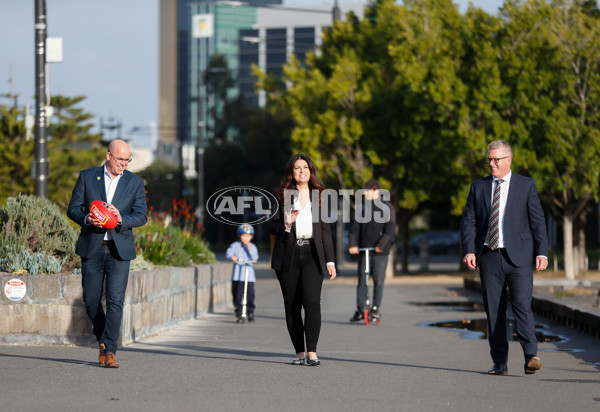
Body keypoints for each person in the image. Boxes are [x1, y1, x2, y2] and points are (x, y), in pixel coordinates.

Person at [461, 140, 548, 376]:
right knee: (494, 311)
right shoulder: (478, 187)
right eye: (489, 159)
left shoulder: (526, 185)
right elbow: (469, 221)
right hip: (489, 257)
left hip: (519, 257)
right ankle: (499, 362)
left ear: (508, 160)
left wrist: (542, 251)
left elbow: (537, 221)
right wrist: (469, 250)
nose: (491, 163)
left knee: (522, 306)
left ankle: (531, 355)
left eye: (496, 159)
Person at [67, 139, 147, 368]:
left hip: (118, 250)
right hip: (92, 246)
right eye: (120, 159)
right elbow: (73, 208)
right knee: (91, 300)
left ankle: (110, 351)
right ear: (109, 155)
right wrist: (86, 219)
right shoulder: (87, 176)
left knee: (115, 301)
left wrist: (120, 217)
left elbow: (141, 215)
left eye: (127, 159)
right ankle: (103, 341)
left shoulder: (135, 182)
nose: (124, 163)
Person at [269, 153, 337, 366]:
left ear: (311, 170)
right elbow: (271, 227)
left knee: (312, 302)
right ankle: (300, 353)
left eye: (305, 167)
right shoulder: (279, 195)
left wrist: (330, 261)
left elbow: (326, 231)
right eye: (297, 167)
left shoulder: (321, 195)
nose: (302, 171)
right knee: (292, 306)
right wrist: (287, 223)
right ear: (291, 172)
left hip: (312, 255)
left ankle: (313, 353)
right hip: (288, 255)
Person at [348, 178, 396, 323]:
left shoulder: (387, 207)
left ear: (376, 191)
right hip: (364, 250)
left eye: (368, 190)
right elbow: (354, 230)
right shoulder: (362, 208)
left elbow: (390, 231)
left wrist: (380, 246)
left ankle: (375, 308)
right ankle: (361, 309)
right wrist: (352, 245)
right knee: (362, 281)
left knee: (378, 280)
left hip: (381, 252)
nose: (366, 193)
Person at [226, 224, 259, 322]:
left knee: (250, 294)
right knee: (236, 294)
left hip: (249, 277)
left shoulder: (252, 247)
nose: (245, 238)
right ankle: (239, 311)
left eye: (248, 236)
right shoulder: (235, 245)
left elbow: (255, 258)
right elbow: (228, 253)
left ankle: (250, 311)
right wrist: (232, 257)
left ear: (251, 237)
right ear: (239, 236)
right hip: (237, 276)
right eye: (243, 236)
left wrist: (249, 249)